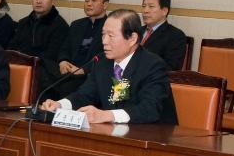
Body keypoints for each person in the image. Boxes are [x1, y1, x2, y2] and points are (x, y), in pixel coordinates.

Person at [41, 9, 177, 125]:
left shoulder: (153, 66)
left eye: (111, 36)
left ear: (132, 38)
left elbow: (149, 109)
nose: (104, 42)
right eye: (103, 35)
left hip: (152, 138)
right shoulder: (101, 62)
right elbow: (84, 95)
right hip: (114, 134)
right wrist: (60, 105)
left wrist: (106, 115)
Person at [53, 0, 110, 99]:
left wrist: (84, 70)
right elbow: (65, 47)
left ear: (105, 4)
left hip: (91, 75)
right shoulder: (76, 25)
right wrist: (62, 61)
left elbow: (106, 56)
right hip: (69, 71)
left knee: (67, 89)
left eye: (93, 1)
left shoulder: (110, 27)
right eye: (86, 0)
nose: (89, 4)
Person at [10, 0, 68, 86]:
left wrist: (26, 60)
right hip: (19, 66)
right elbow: (12, 46)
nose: (38, 1)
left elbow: (52, 55)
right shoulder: (23, 22)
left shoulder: (60, 25)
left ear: (53, 1)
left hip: (43, 72)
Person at [139, 0, 188, 71]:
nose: (145, 11)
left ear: (164, 11)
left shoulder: (176, 36)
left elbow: (171, 68)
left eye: (151, 6)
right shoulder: (136, 31)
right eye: (144, 6)